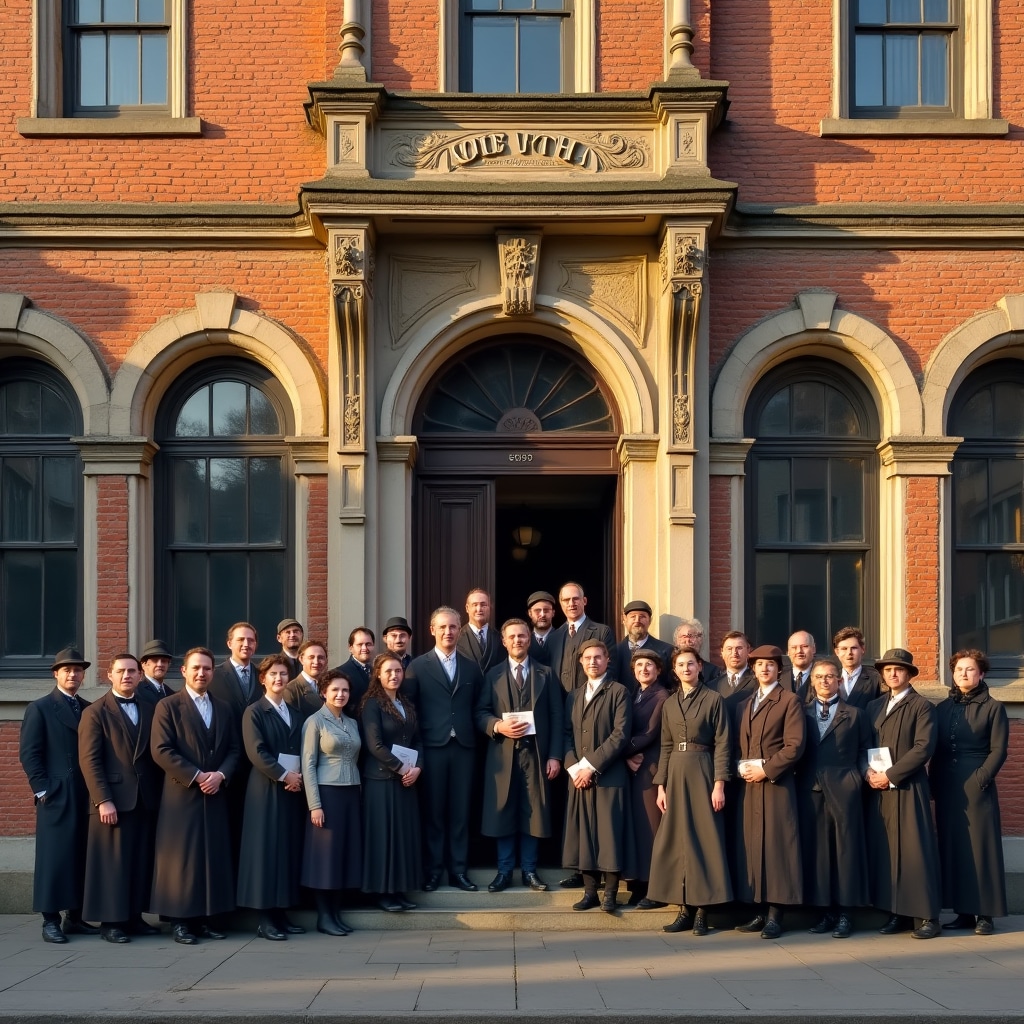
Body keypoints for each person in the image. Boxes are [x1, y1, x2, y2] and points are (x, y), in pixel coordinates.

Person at [150, 647, 239, 944]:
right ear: (184, 671)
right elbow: (161, 750)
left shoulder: (224, 708)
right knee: (182, 860)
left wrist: (221, 775)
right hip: (181, 795)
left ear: (213, 673)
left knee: (211, 858)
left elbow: (235, 750)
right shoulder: (168, 706)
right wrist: (196, 776)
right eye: (196, 668)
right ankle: (180, 921)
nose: (202, 673)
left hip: (215, 793)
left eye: (207, 668)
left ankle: (205, 920)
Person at [646, 646, 732, 934]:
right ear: (675, 670)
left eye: (691, 664)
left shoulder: (713, 699)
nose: (686, 669)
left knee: (703, 838)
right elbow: (666, 746)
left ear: (699, 667)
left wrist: (719, 784)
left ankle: (703, 911)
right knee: (677, 839)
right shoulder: (669, 704)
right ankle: (683, 907)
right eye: (681, 664)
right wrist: (661, 786)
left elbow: (722, 743)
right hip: (676, 773)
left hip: (703, 770)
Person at [475, 617, 563, 893]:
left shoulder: (546, 674)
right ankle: (503, 872)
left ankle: (529, 871)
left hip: (536, 756)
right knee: (503, 812)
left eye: (522, 636)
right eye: (511, 636)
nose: (517, 640)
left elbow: (557, 716)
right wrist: (497, 725)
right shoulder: (492, 675)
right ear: (503, 641)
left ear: (530, 638)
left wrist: (555, 756)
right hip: (502, 757)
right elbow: (479, 713)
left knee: (533, 812)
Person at [79, 653, 162, 942]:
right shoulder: (95, 712)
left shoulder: (151, 708)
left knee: (139, 859)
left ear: (140, 676)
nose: (127, 675)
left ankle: (135, 917)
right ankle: (111, 923)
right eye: (121, 671)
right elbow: (90, 761)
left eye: (132, 671)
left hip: (145, 799)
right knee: (111, 864)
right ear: (110, 675)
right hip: (112, 800)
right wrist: (103, 800)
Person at [19, 647, 97, 943]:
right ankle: (49, 920)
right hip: (56, 795)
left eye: (78, 670)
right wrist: (43, 790)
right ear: (56, 674)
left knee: (80, 855)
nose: (73, 674)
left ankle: (75, 918)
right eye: (67, 670)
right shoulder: (39, 708)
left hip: (84, 794)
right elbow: (29, 754)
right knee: (54, 858)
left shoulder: (89, 708)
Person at [865, 647, 942, 940]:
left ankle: (927, 917)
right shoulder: (874, 707)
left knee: (915, 852)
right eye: (887, 670)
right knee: (887, 851)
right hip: (879, 790)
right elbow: (864, 746)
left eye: (899, 669)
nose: (893, 674)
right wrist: (869, 773)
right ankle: (896, 911)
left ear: (908, 674)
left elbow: (923, 748)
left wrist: (891, 775)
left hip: (909, 788)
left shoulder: (922, 707)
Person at [930, 648, 1008, 935]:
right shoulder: (942, 708)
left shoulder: (993, 707)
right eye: (959, 669)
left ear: (982, 673)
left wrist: (980, 779)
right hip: (948, 787)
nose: (964, 673)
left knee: (980, 848)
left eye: (970, 669)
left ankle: (985, 914)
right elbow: (935, 750)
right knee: (955, 848)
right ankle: (963, 912)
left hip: (977, 785)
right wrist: (933, 784)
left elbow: (999, 750)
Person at [405, 605, 482, 892]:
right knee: (434, 812)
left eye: (453, 627)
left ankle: (459, 870)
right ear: (432, 630)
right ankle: (434, 870)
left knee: (461, 812)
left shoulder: (471, 667)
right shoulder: (417, 667)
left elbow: (478, 707)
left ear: (459, 630)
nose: (448, 632)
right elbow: (410, 710)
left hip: (464, 747)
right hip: (432, 747)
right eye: (443, 627)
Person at [734, 644, 806, 939]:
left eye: (770, 665)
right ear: (753, 669)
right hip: (751, 786)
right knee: (755, 846)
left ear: (779, 669)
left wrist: (767, 769)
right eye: (760, 665)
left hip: (777, 785)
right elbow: (742, 746)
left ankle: (777, 913)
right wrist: (742, 767)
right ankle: (760, 910)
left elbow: (795, 746)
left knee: (778, 847)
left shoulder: (789, 700)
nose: (764, 669)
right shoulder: (745, 703)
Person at [796, 658, 871, 938]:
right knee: (819, 852)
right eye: (819, 677)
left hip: (845, 788)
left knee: (845, 851)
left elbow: (866, 750)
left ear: (839, 681)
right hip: (811, 790)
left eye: (830, 676)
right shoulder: (800, 712)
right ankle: (824, 911)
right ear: (812, 681)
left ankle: (846, 913)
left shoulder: (856, 714)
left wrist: (861, 776)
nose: (824, 681)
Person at [236, 655, 306, 941]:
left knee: (286, 850)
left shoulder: (295, 712)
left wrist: (297, 777)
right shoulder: (254, 712)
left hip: (293, 790)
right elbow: (256, 752)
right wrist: (284, 775)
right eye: (273, 674)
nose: (279, 679)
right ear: (263, 679)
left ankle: (282, 913)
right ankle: (265, 918)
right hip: (265, 789)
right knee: (265, 852)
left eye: (283, 674)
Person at [562, 639, 633, 913]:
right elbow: (565, 734)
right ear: (581, 662)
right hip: (579, 778)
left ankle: (610, 895)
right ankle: (590, 892)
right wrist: (574, 769)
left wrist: (590, 766)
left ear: (607, 660)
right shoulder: (574, 695)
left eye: (598, 657)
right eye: (588, 658)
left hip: (608, 776)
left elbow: (620, 734)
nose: (593, 662)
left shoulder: (619, 692)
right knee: (585, 835)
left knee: (609, 835)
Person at [301, 668, 363, 935]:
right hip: (327, 795)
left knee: (343, 856)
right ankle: (324, 917)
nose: (340, 695)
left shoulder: (352, 723)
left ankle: (336, 914)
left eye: (345, 690)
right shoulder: (315, 722)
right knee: (325, 858)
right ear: (323, 692)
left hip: (351, 794)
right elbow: (308, 764)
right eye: (335, 690)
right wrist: (315, 805)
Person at [360, 654, 423, 912]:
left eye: (398, 671)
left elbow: (417, 739)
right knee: (383, 837)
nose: (394, 675)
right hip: (381, 780)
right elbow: (374, 744)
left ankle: (398, 890)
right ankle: (382, 893)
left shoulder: (406, 703)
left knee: (402, 838)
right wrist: (400, 768)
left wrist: (418, 768)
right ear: (378, 674)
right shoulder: (371, 704)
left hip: (407, 781)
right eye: (388, 671)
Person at [207, 621, 262, 870]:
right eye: (241, 640)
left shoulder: (265, 676)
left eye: (250, 640)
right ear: (230, 643)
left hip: (258, 766)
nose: (246, 644)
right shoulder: (213, 676)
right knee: (228, 827)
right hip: (225, 766)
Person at [623, 648, 669, 907]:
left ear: (658, 669)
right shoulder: (634, 694)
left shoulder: (661, 696)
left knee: (651, 829)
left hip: (650, 770)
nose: (644, 669)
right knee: (637, 829)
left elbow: (650, 733)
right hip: (634, 769)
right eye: (639, 665)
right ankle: (638, 885)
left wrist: (620, 748)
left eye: (649, 665)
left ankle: (656, 889)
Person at [546, 582, 618, 695]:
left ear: (584, 601)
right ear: (561, 604)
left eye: (575, 599)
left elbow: (611, 669)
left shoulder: (602, 632)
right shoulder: (553, 638)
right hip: (560, 705)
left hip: (590, 702)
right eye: (566, 600)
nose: (571, 603)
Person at [615, 600, 673, 692]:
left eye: (642, 617)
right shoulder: (614, 652)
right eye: (633, 617)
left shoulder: (666, 650)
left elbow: (671, 685)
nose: (637, 621)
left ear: (650, 620)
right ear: (624, 620)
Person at [832, 626, 882, 709]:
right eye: (844, 649)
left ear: (863, 650)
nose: (849, 653)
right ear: (837, 652)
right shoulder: (829, 677)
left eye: (853, 648)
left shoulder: (877, 679)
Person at [457, 588, 504, 674]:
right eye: (475, 605)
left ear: (490, 607)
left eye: (483, 605)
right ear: (467, 608)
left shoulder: (500, 638)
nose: (479, 609)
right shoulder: (456, 638)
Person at [285, 639, 328, 725]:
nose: (316, 662)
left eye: (320, 657)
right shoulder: (290, 690)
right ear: (301, 659)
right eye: (311, 657)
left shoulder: (329, 686)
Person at [333, 627, 375, 710]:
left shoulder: (378, 672)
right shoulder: (339, 673)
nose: (364, 648)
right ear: (350, 648)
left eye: (368, 644)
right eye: (360, 644)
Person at [673, 619, 719, 686]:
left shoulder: (712, 671)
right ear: (676, 641)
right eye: (684, 637)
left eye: (692, 636)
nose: (688, 640)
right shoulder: (669, 671)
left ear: (700, 640)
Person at [137, 639, 175, 707]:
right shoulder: (136, 691)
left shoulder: (171, 694)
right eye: (155, 660)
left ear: (168, 665)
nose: (160, 664)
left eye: (163, 661)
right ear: (144, 665)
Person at [526, 590, 557, 666]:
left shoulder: (563, 637)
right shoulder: (524, 640)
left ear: (553, 613)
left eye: (546, 610)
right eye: (537, 611)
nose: (542, 614)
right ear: (530, 613)